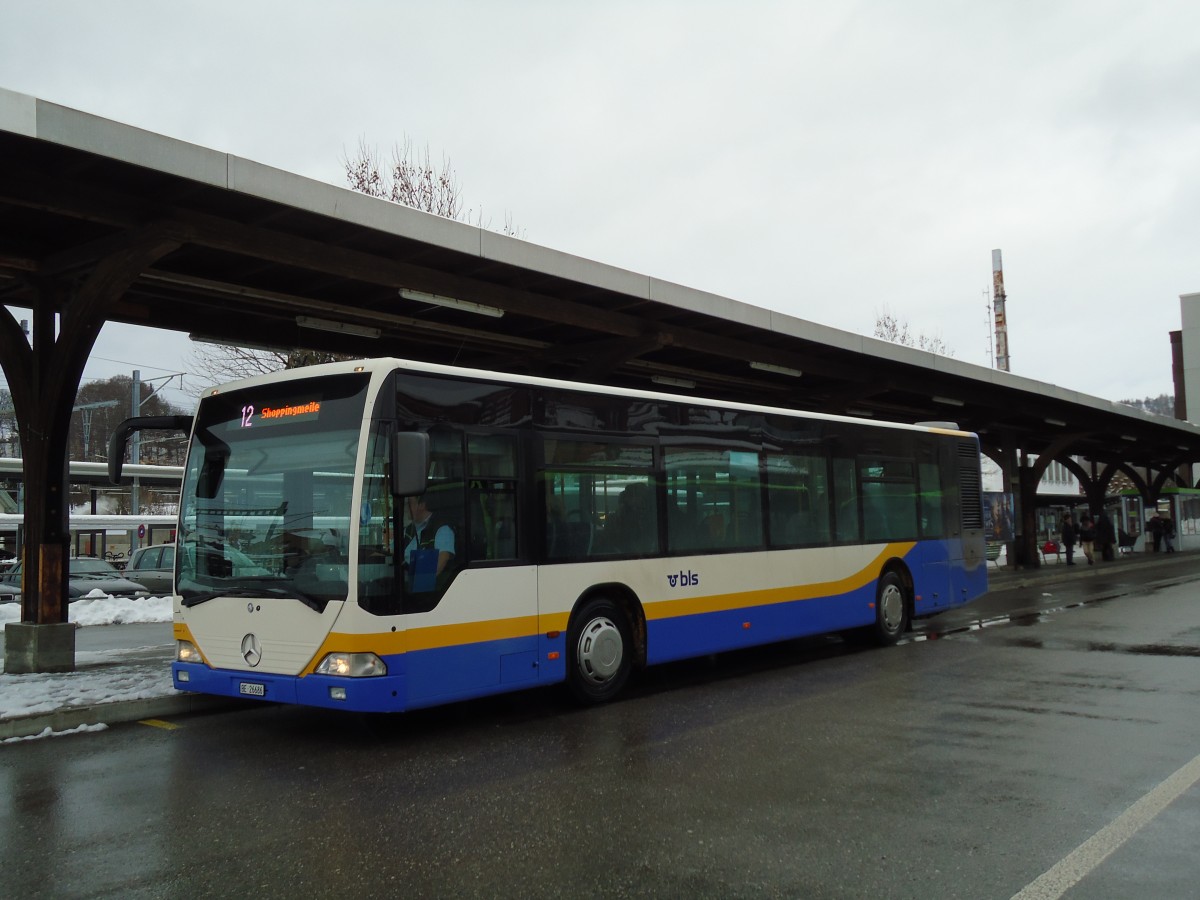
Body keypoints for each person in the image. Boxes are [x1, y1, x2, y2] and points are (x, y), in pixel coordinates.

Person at [403, 494, 456, 591]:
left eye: (409, 503)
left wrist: (420, 585)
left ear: (421, 505)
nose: (406, 508)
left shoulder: (442, 529)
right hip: (404, 581)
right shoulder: (408, 530)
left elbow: (443, 559)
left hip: (428, 591)